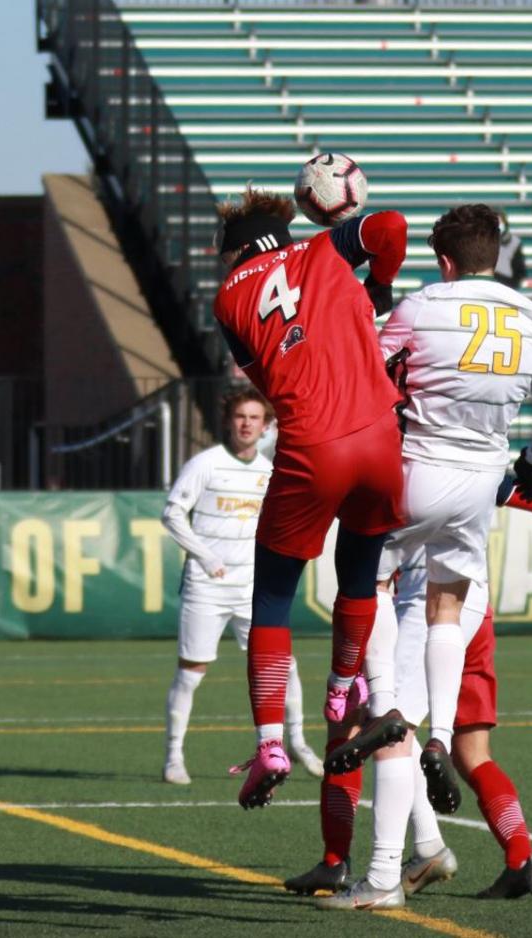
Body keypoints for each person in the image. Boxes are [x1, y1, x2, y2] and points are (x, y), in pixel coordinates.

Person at [309, 480, 532, 911]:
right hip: (472, 605)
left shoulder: (408, 449)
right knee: (470, 751)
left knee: (387, 732)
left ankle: (383, 874)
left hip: (430, 603)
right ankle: (515, 856)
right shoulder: (475, 456)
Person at [359, 202, 532, 825]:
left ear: (446, 261)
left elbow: (371, 369)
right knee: (447, 603)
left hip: (419, 466)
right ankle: (442, 733)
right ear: (494, 254)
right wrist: (531, 462)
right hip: (482, 481)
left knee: (367, 581)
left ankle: (389, 707)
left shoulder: (423, 304)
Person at [213, 186, 408, 809]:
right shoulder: (324, 249)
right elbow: (390, 224)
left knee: (271, 598)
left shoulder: (227, 297)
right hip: (379, 438)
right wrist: (378, 283)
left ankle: (271, 742)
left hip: (310, 445)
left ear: (238, 249)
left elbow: (262, 371)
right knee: (360, 575)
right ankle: (342, 684)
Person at [160, 387, 323, 784]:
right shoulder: (206, 464)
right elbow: (172, 514)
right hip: (207, 586)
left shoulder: (269, 471)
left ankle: (298, 743)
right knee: (192, 670)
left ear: (266, 426)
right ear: (229, 422)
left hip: (254, 588)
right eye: (241, 417)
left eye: (255, 418)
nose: (247, 424)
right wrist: (206, 556)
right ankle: (173, 756)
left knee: (283, 665)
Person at [493, 210, 527, 291]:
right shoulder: (482, 241)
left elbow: (519, 269)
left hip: (507, 284)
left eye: (500, 222)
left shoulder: (514, 242)